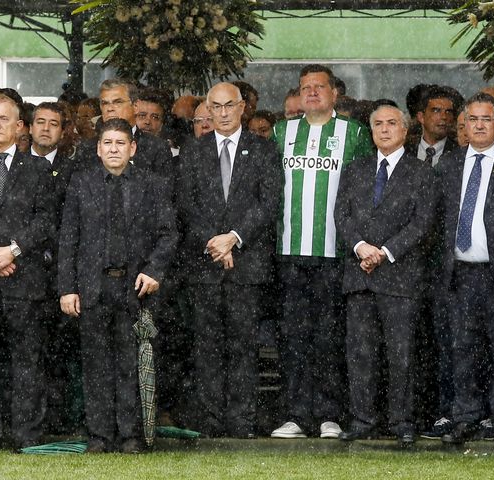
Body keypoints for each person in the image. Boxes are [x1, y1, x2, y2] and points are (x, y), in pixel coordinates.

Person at [58, 118, 178, 453]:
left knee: (131, 363)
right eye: (107, 143)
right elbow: (68, 239)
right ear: (98, 149)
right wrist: (67, 288)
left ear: (132, 148)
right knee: (95, 365)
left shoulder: (151, 184)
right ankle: (99, 435)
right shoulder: (81, 183)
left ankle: (130, 435)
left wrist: (154, 271)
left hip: (135, 288)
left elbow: (168, 234)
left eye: (120, 143)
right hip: (92, 287)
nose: (113, 149)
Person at [270, 64, 373, 440]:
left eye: (319, 87)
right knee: (294, 336)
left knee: (330, 336)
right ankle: (296, 414)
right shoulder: (282, 132)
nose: (311, 93)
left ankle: (330, 414)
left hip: (335, 251)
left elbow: (362, 192)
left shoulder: (355, 133)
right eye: (304, 88)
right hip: (290, 251)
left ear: (334, 94)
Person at [176, 82, 281, 438]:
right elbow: (185, 205)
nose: (222, 113)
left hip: (247, 263)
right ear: (207, 109)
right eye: (215, 107)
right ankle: (210, 421)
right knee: (205, 346)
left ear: (242, 108)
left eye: (228, 106)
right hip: (204, 265)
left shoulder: (264, 150)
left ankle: (242, 422)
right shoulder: (192, 151)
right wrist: (214, 243)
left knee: (243, 346)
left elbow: (268, 204)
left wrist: (234, 238)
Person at [335, 105, 437, 447]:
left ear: (405, 130)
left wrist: (385, 252)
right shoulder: (355, 169)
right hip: (360, 274)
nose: (384, 129)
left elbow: (422, 224)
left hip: (399, 276)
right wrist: (362, 247)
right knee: (360, 353)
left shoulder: (422, 173)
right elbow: (341, 215)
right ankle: (363, 419)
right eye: (377, 124)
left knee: (401, 354)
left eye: (391, 123)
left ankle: (401, 420)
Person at [437, 93, 494, 450]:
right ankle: (465, 417)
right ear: (464, 125)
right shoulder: (449, 163)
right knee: (461, 348)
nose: (478, 125)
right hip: (458, 273)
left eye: (485, 119)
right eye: (472, 119)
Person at [0, 93, 56, 450]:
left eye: (3, 119)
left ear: (19, 126)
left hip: (25, 281)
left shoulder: (39, 170)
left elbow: (47, 220)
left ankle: (27, 433)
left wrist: (12, 251)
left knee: (28, 362)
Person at [30, 102, 83, 433]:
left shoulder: (74, 170)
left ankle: (61, 420)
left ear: (64, 132)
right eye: (40, 122)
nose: (46, 128)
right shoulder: (12, 166)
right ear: (29, 127)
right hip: (20, 274)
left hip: (60, 275)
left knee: (60, 353)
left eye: (53, 124)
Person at [73, 79, 172, 177]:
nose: (110, 108)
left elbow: (161, 190)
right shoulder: (86, 149)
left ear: (135, 106)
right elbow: (79, 188)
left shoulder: (157, 148)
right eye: (105, 103)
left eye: (117, 102)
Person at [406, 85, 457, 166]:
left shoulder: (459, 153)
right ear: (421, 117)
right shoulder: (405, 151)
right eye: (436, 111)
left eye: (448, 111)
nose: (444, 117)